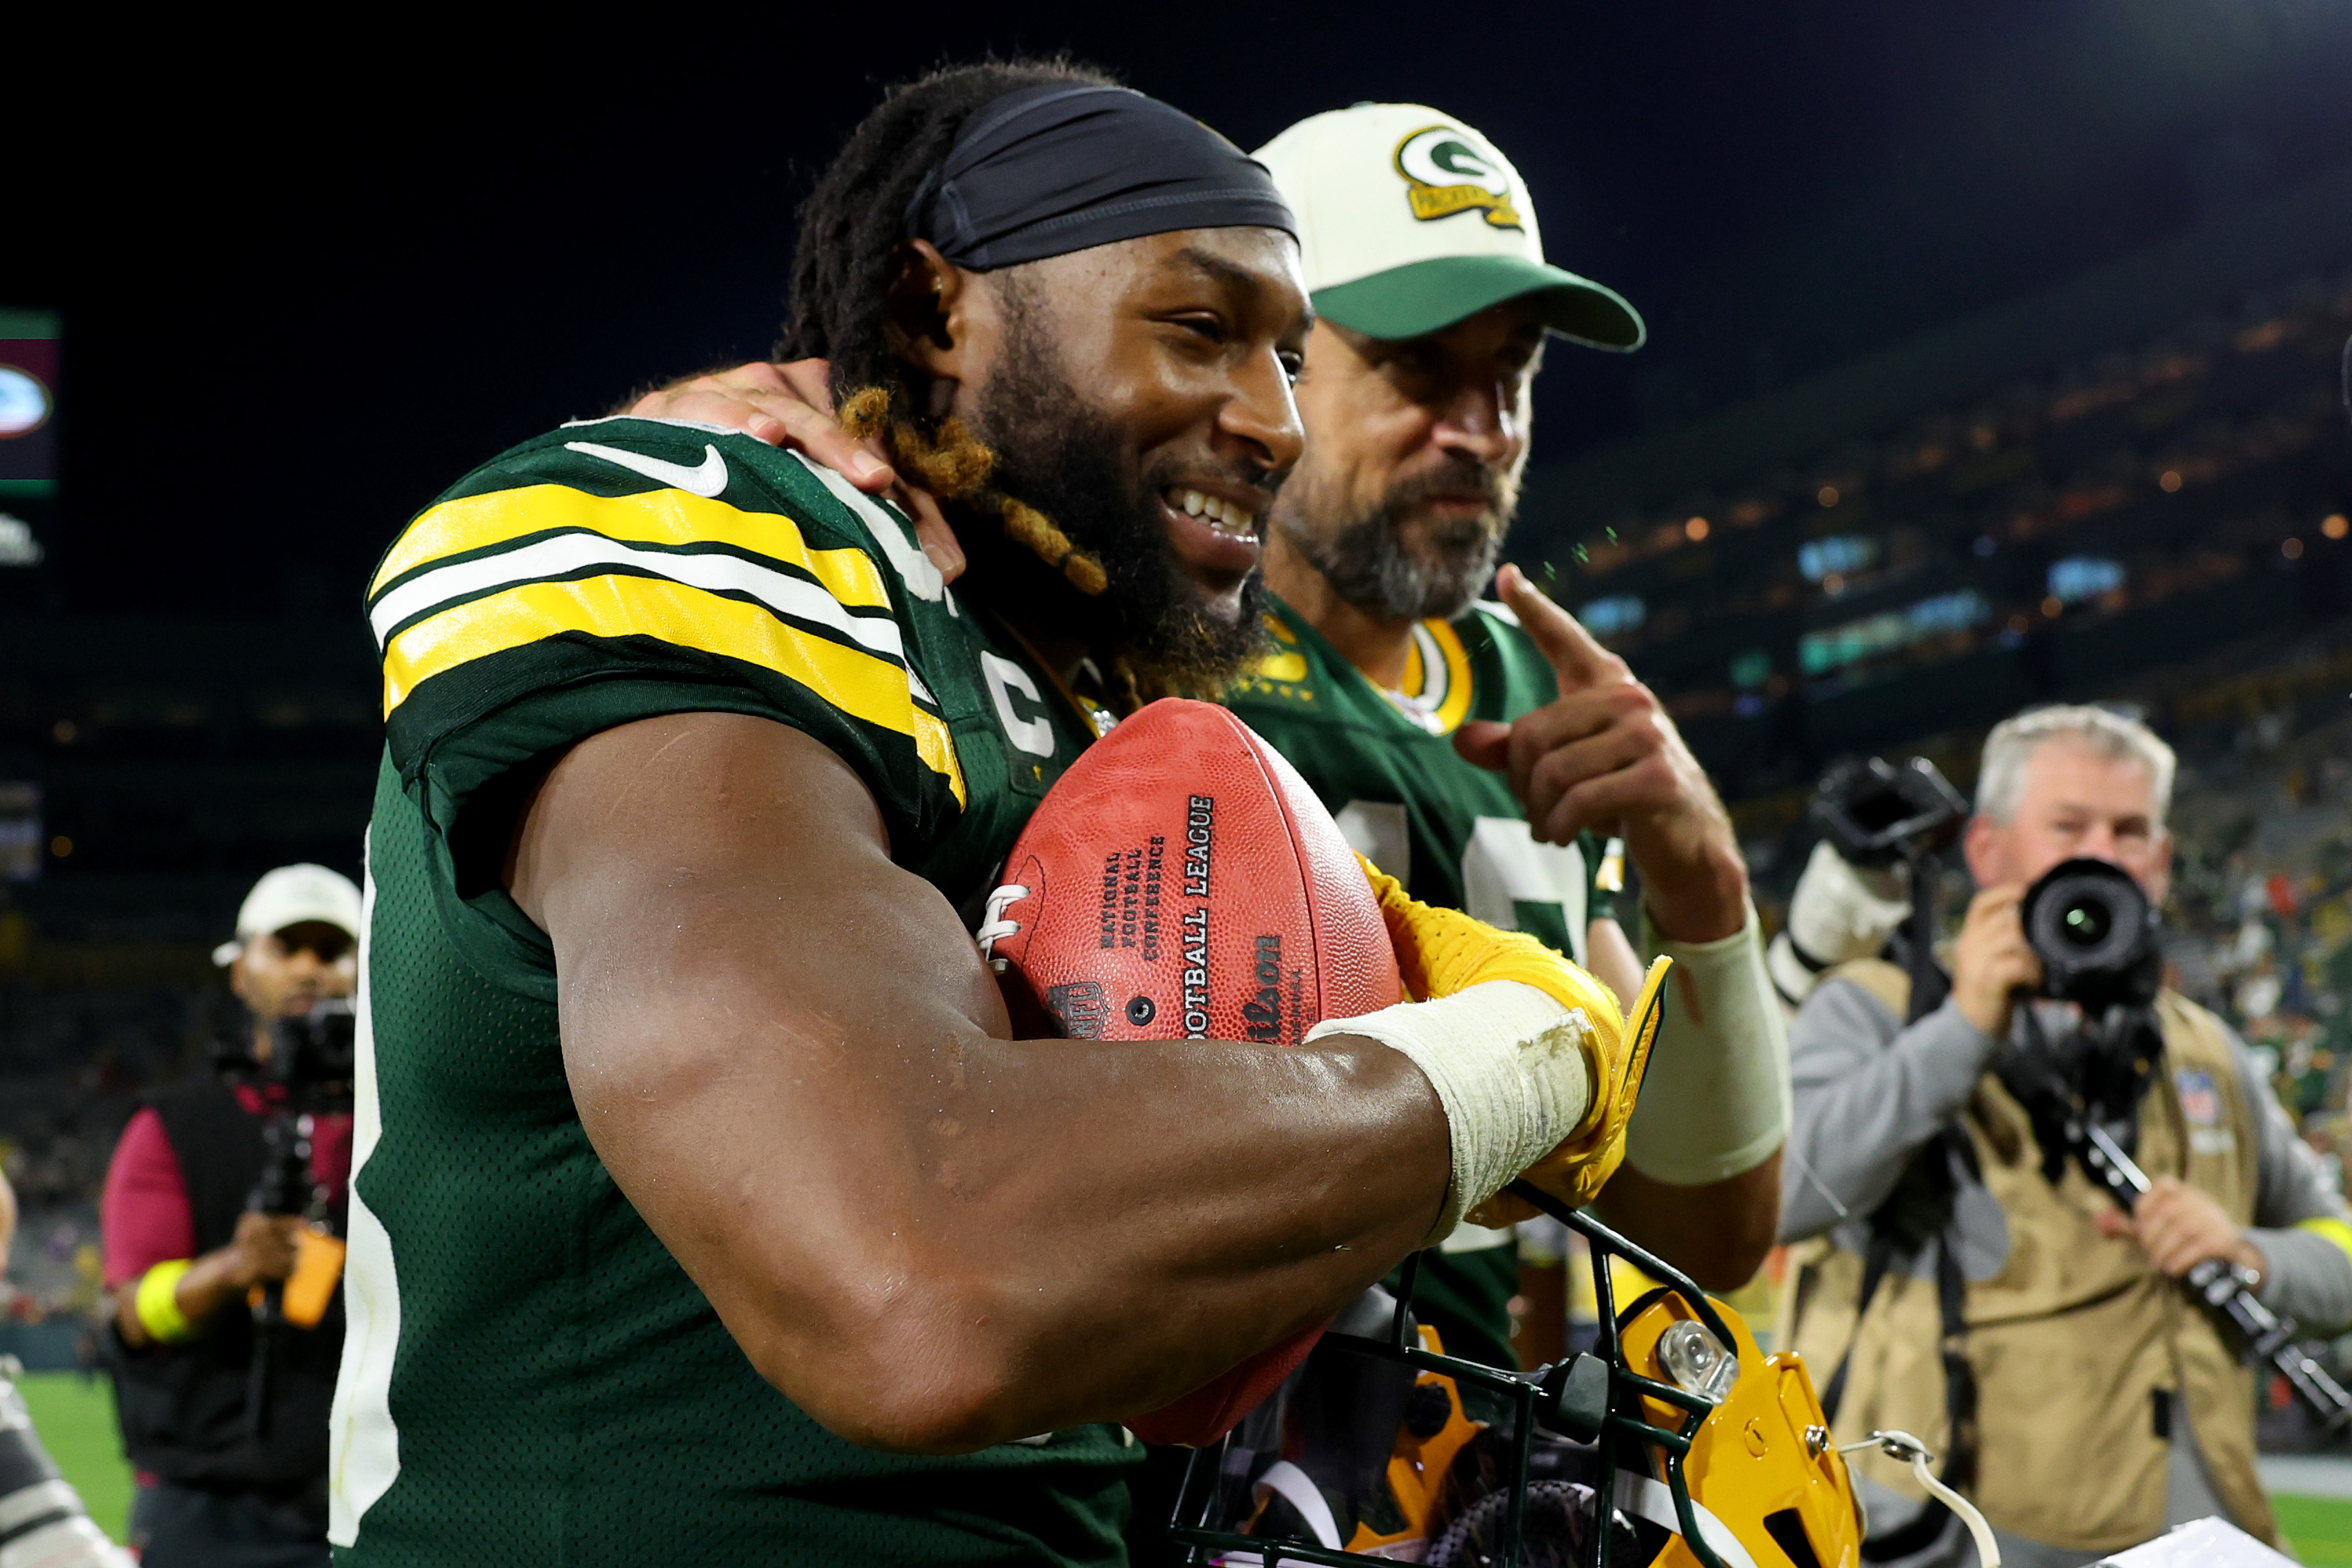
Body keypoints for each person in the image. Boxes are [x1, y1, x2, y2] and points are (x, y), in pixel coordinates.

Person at [334, 61, 1655, 1567]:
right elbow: (916, 1281)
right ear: (932, 308)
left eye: (1290, 354)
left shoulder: (1063, 689)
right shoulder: (695, 521)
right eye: (1200, 329)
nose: (1273, 421)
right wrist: (1512, 1060)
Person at [634, 103, 1790, 1375]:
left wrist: (1703, 880)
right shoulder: (1083, 640)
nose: (1482, 426)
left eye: (1508, 371)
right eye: (1418, 365)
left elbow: (1704, 1226)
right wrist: (716, 429)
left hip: (1444, 1466)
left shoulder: (1529, 690)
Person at [1777, 705, 2352, 1567]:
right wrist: (1962, 1026)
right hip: (1960, 1529)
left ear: (2158, 863)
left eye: (2129, 830)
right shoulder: (1875, 1004)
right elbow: (1781, 1199)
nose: (2100, 853)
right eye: (2067, 824)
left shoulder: (2208, 1051)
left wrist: (2250, 1249)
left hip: (2202, 1524)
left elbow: (2340, 1257)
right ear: (1987, 850)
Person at [99, 862, 360, 1567]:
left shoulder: (411, 1125)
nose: (310, 967)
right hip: (213, 1502)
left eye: (332, 950)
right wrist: (235, 1268)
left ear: (366, 971)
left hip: (379, 1487)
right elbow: (132, 1311)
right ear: (241, 971)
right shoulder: (172, 1126)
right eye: (288, 946)